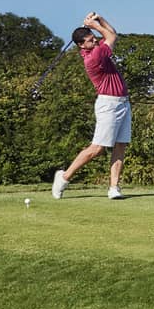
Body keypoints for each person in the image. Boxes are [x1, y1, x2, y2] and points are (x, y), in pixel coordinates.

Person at [52, 12, 131, 199]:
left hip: (123, 103)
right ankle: (63, 177)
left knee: (120, 146)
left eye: (94, 38)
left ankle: (114, 187)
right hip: (108, 104)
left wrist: (99, 19)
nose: (95, 41)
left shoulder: (96, 48)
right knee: (97, 148)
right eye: (90, 40)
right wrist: (94, 25)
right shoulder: (94, 56)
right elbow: (111, 37)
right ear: (81, 45)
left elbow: (111, 33)